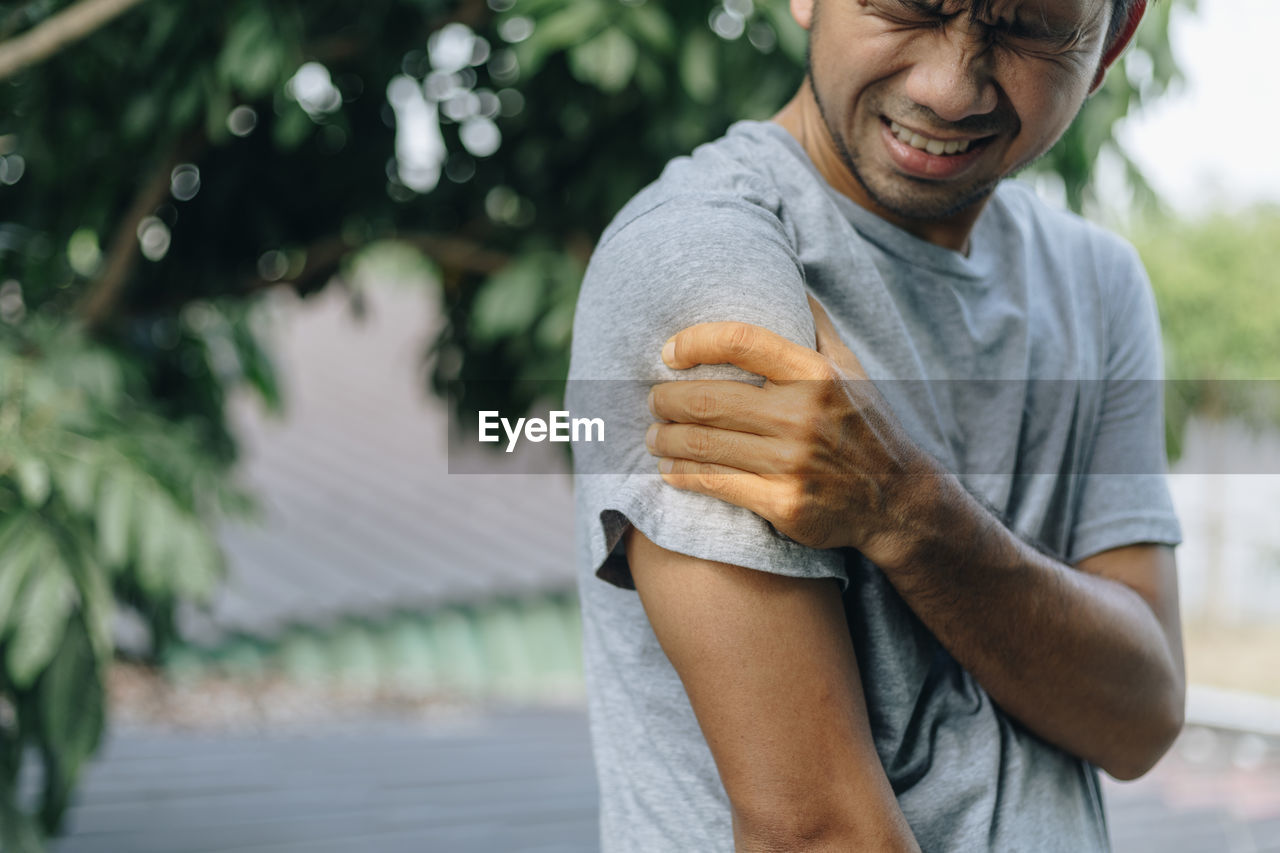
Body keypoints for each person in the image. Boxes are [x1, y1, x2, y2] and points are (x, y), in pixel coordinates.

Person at [566, 0, 1184, 850]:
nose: (950, 89)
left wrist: (909, 508)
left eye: (1030, 28)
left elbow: (1142, 714)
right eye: (910, 7)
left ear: (1113, 38)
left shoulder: (1098, 283)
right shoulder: (709, 259)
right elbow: (811, 831)